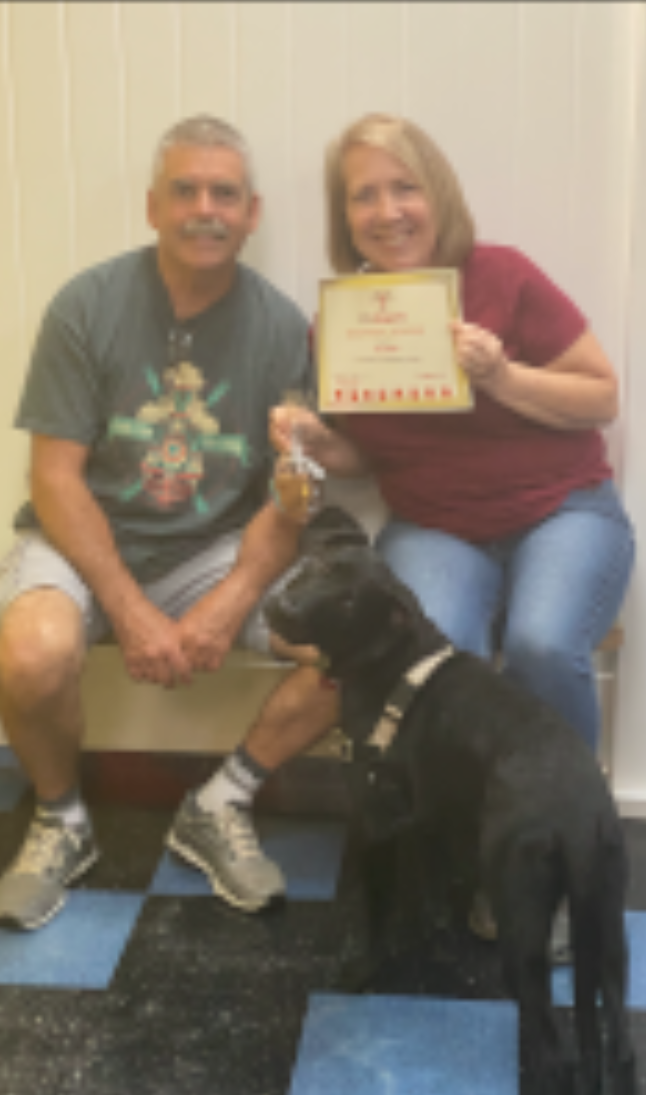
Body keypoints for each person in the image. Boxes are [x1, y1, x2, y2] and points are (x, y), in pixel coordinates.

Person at [270, 113, 635, 949]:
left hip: (563, 508)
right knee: (441, 659)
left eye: (405, 187)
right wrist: (324, 444)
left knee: (544, 643)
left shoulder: (501, 275)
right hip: (437, 525)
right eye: (365, 195)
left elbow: (603, 396)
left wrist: (501, 373)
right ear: (344, 215)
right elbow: (369, 450)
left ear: (438, 195)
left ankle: (563, 853)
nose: (388, 210)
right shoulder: (344, 322)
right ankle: (478, 842)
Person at [0, 115, 339, 931]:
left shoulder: (283, 325)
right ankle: (61, 818)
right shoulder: (86, 305)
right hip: (86, 540)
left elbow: (286, 499)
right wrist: (130, 605)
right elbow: (54, 478)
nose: (204, 208)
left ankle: (221, 800)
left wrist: (227, 601)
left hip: (217, 546)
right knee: (29, 650)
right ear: (153, 205)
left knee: (355, 649)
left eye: (224, 192)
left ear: (252, 213)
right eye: (184, 190)